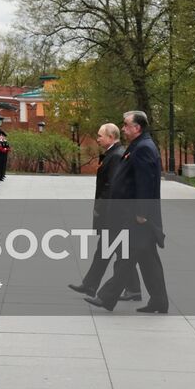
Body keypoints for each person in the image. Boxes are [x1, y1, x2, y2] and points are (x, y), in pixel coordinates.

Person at [87, 110, 168, 313]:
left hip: (137, 215)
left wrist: (142, 212)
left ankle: (107, 297)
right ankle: (159, 301)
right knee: (148, 260)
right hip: (132, 213)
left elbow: (146, 182)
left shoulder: (144, 148)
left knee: (128, 257)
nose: (123, 128)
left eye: (125, 125)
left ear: (137, 127)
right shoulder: (139, 145)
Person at [68, 122, 141, 301]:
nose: (98, 138)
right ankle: (130, 289)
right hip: (113, 211)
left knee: (111, 250)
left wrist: (102, 208)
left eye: (100, 135)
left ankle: (92, 285)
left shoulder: (115, 156)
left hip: (113, 211)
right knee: (114, 251)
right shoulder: (113, 153)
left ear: (110, 137)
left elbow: (112, 186)